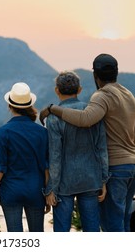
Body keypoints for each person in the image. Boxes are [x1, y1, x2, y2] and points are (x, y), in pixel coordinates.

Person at [39, 54, 135, 232]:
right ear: (79, 89)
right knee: (121, 221)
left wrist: (53, 109)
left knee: (110, 225)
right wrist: (101, 179)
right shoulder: (128, 94)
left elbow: (83, 122)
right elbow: (129, 134)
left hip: (101, 173)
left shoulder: (100, 99)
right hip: (128, 167)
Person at [0, 82, 50, 232]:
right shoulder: (42, 132)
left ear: (10, 106)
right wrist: (48, 192)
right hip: (36, 190)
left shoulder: (3, 132)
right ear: (29, 105)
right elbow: (46, 166)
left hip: (11, 191)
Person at [44, 71, 109, 232]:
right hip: (91, 178)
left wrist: (51, 188)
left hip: (64, 183)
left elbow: (55, 156)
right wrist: (103, 180)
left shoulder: (53, 118)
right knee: (92, 230)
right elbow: (101, 148)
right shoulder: (92, 112)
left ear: (56, 91)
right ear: (79, 90)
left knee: (62, 232)